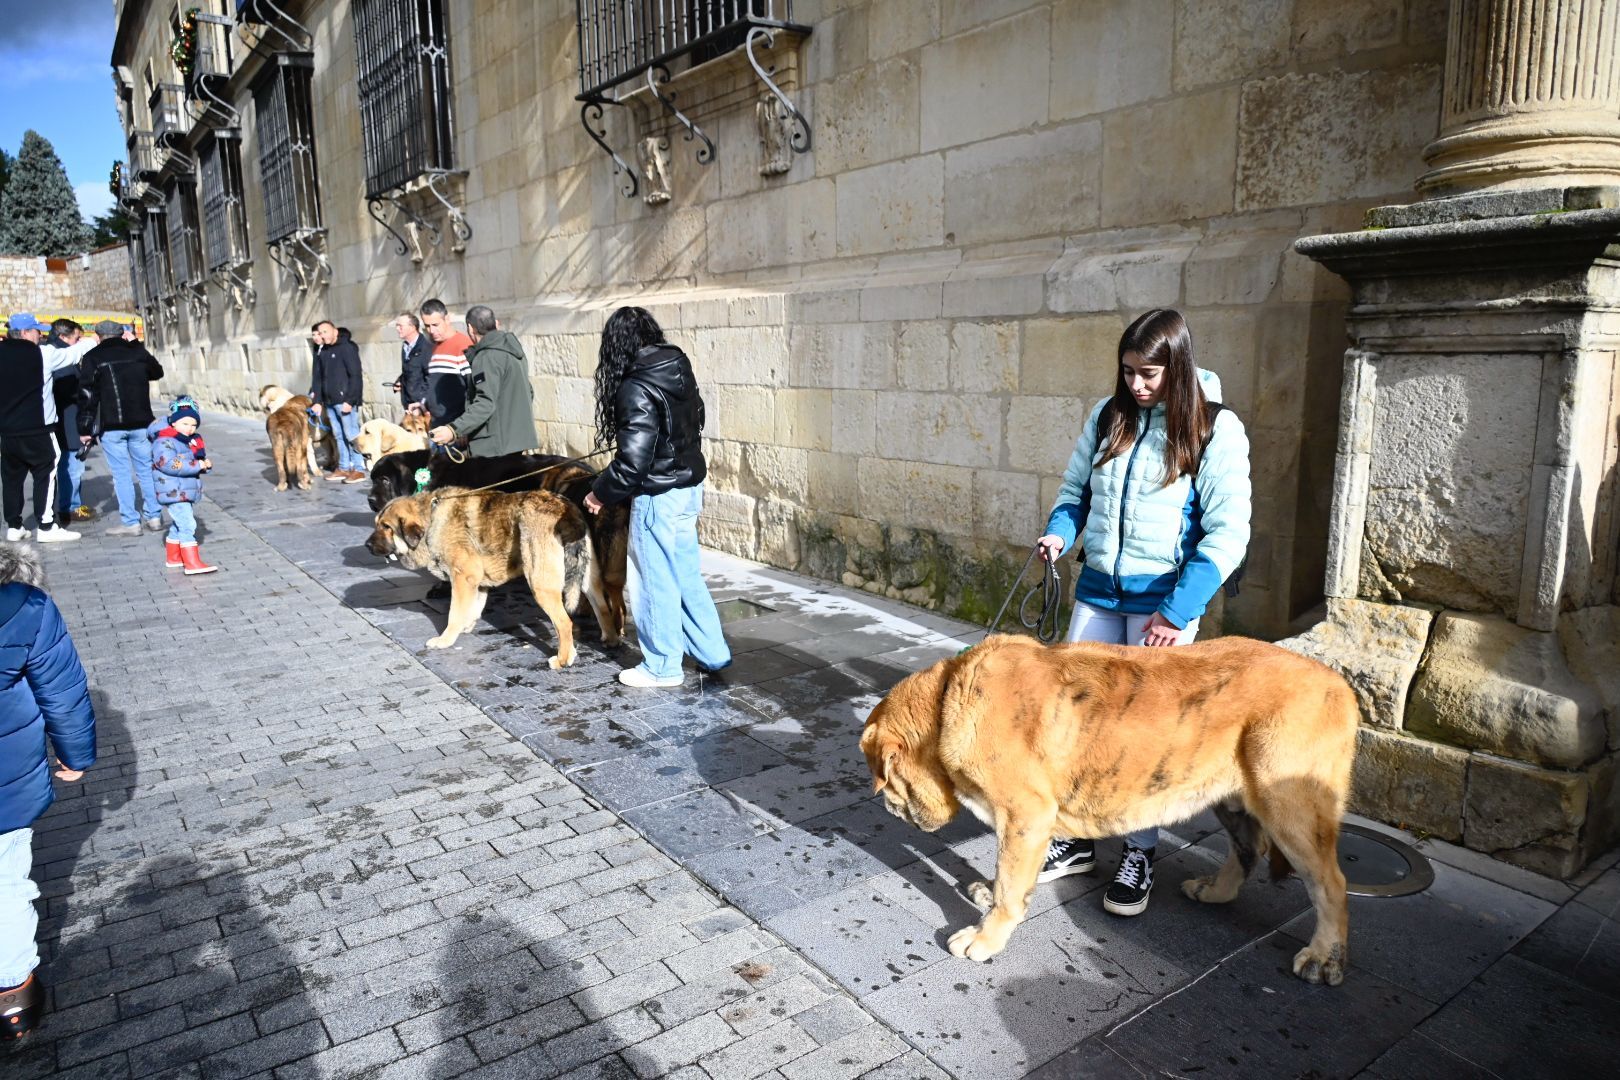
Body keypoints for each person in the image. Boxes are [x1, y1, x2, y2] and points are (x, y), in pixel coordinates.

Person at [1033, 308, 1251, 918]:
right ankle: (1075, 837)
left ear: (1177, 366)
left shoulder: (1216, 428)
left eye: (1149, 374)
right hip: (1098, 593)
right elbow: (1075, 492)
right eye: (1128, 372)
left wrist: (1177, 614)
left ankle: (1139, 852)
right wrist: (1059, 532)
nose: (1137, 386)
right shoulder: (1109, 417)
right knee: (1074, 721)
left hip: (1162, 607)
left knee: (1147, 737)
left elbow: (1227, 535)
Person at [583, 307, 731, 688]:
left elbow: (634, 461)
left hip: (659, 493)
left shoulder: (635, 385)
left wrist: (600, 492)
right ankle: (712, 651)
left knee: (653, 579)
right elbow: (692, 422)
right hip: (688, 487)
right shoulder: (677, 366)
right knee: (683, 572)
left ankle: (662, 665)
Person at [0, 540, 95, 1039]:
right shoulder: (21, 603)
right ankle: (13, 995)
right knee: (5, 886)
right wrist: (75, 754)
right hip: (3, 778)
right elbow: (60, 688)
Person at [0, 313, 91, 543]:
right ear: (23, 333)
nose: (39, 334)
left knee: (12, 478)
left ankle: (14, 525)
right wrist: (93, 340)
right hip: (38, 428)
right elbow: (72, 354)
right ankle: (47, 526)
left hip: (8, 431)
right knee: (46, 472)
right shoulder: (42, 353)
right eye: (35, 330)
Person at [77, 320, 165, 536]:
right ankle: (154, 516)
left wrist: (85, 428)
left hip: (112, 424)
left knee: (121, 474)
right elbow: (157, 372)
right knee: (146, 470)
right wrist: (137, 345)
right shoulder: (136, 353)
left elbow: (88, 396)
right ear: (122, 335)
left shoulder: (92, 358)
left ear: (98, 336)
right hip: (142, 422)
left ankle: (131, 522)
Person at [429, 306, 540, 458]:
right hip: (516, 441)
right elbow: (528, 391)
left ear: (470, 328)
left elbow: (485, 403)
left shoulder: (486, 357)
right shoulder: (513, 351)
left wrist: (453, 430)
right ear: (496, 323)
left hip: (495, 446)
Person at [148, 397, 218, 575]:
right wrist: (197, 466)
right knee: (187, 524)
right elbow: (170, 464)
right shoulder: (163, 441)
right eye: (185, 423)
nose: (190, 428)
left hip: (182, 490)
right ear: (173, 422)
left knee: (178, 524)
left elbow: (192, 461)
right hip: (173, 491)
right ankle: (192, 563)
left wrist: (203, 465)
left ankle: (174, 558)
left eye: (194, 425)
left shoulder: (187, 440)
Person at [46, 320, 96, 524]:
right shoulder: (61, 358)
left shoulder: (53, 352)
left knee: (70, 465)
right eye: (76, 338)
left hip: (65, 418)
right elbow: (70, 389)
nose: (79, 342)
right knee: (71, 466)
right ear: (64, 337)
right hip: (68, 419)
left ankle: (72, 503)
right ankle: (70, 507)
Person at [309, 320, 366, 483]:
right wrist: (318, 401)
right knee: (338, 435)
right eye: (320, 333)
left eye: (325, 332)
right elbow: (318, 378)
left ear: (334, 331)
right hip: (329, 401)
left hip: (344, 401)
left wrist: (351, 399)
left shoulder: (347, 348)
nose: (322, 336)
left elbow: (355, 376)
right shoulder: (323, 351)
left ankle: (358, 468)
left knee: (351, 434)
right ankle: (343, 467)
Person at [418, 298, 470, 427]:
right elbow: (432, 383)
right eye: (427, 326)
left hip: (455, 428)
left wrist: (464, 426)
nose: (431, 330)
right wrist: (422, 404)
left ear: (447, 319)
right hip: (436, 423)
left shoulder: (463, 346)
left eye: (435, 325)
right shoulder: (434, 347)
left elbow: (472, 390)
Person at [392, 311, 431, 415]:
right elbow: (410, 369)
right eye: (396, 326)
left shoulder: (426, 347)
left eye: (400, 326)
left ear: (412, 327)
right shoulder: (405, 346)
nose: (397, 329)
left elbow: (430, 378)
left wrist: (422, 404)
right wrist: (400, 381)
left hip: (422, 407)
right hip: (408, 404)